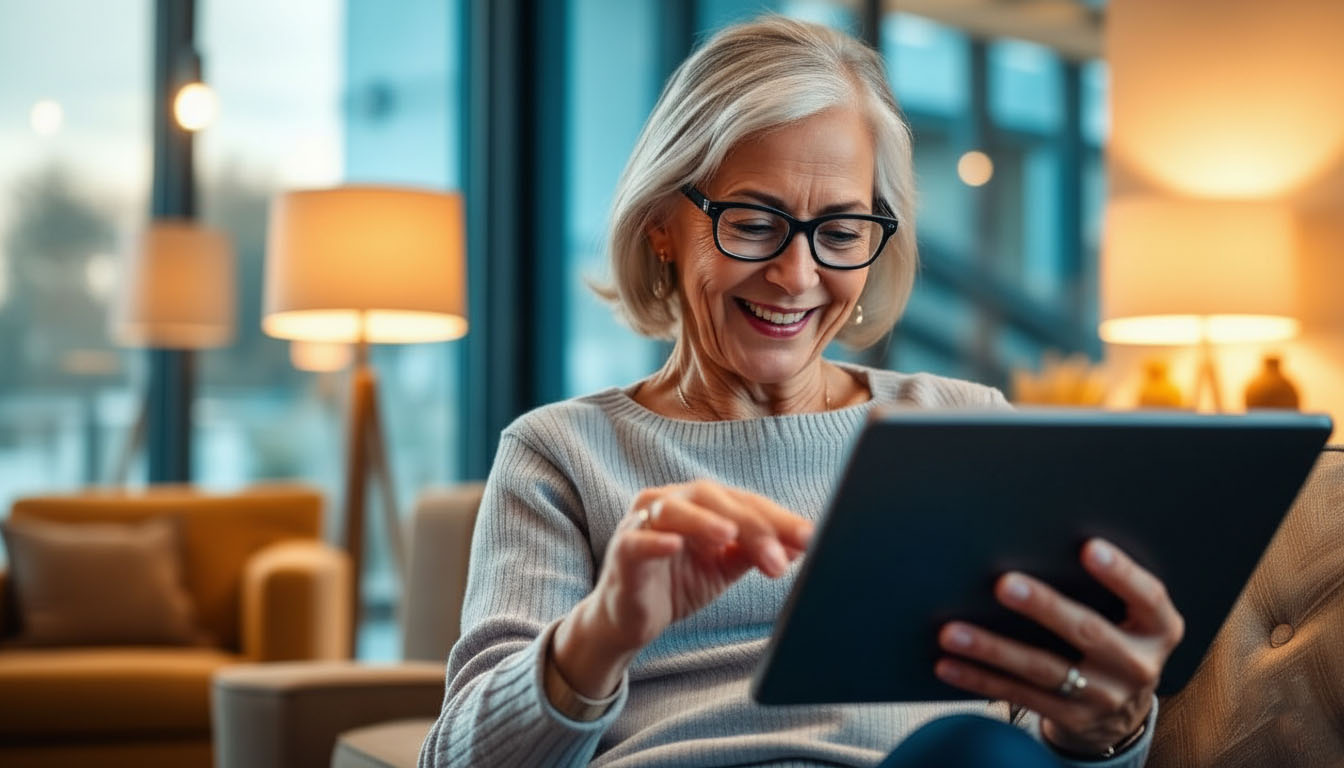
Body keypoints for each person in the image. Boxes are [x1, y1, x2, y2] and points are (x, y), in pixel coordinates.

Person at [419, 16, 1183, 768]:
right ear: (661, 224)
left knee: (980, 750)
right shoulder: (560, 454)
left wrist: (1104, 731)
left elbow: (1043, 738)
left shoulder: (966, 427)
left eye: (842, 231)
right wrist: (601, 635)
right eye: (754, 223)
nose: (797, 274)